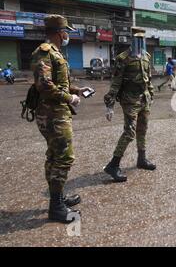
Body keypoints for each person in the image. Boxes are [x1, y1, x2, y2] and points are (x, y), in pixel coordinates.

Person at [30, 15, 92, 223]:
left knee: (54, 156)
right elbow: (45, 85)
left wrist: (77, 90)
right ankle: (55, 207)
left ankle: (59, 197)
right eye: (66, 32)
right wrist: (70, 98)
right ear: (59, 33)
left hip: (56, 112)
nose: (68, 36)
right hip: (52, 114)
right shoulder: (44, 53)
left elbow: (60, 82)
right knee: (64, 158)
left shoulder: (55, 53)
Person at [103, 27, 156, 183]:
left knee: (142, 130)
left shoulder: (146, 57)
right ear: (132, 41)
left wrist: (151, 94)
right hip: (130, 101)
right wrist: (109, 105)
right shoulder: (123, 58)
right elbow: (116, 83)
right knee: (129, 133)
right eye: (137, 40)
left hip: (144, 100)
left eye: (142, 40)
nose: (140, 43)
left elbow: (149, 79)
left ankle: (142, 159)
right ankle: (113, 164)